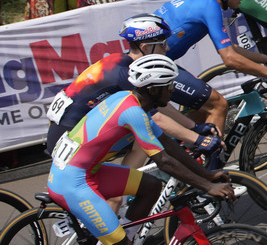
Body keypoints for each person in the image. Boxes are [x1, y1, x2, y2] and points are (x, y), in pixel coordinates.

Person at [47, 54, 235, 245]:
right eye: (169, 86)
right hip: (71, 183)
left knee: (151, 186)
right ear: (153, 89)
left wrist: (207, 175)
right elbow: (164, 161)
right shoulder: (132, 112)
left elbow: (167, 144)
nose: (172, 92)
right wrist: (208, 186)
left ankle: (130, 238)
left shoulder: (131, 101)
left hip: (87, 172)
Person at [45, 14, 223, 155]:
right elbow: (156, 118)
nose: (167, 49)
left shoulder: (121, 62)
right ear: (146, 48)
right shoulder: (126, 75)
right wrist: (197, 139)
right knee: (148, 132)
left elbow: (157, 105)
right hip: (68, 139)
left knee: (145, 132)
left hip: (66, 129)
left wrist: (193, 127)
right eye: (162, 44)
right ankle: (120, 199)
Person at [154, 0, 267, 133]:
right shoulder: (210, 6)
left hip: (156, 63)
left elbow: (231, 48)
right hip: (155, 67)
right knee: (218, 105)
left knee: (203, 107)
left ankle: (189, 148)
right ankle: (209, 155)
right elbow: (229, 59)